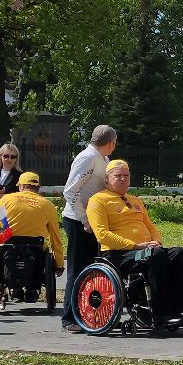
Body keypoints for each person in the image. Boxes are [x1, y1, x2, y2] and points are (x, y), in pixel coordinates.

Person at [86, 159, 183, 336]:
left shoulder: (135, 200)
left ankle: (176, 310)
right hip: (118, 254)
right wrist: (135, 245)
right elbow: (102, 234)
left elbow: (151, 227)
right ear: (107, 179)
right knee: (154, 256)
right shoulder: (98, 200)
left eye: (126, 175)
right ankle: (161, 313)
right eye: (118, 176)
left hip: (145, 249)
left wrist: (157, 241)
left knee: (178, 253)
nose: (123, 179)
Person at [59, 125, 118, 332]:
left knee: (92, 268)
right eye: (115, 143)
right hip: (78, 221)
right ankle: (69, 318)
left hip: (94, 221)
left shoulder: (104, 159)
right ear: (110, 142)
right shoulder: (87, 158)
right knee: (78, 269)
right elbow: (70, 191)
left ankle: (88, 313)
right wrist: (84, 219)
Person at [0, 171, 66, 296]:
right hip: (36, 249)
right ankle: (32, 289)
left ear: (21, 186)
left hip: (9, 247)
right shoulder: (48, 205)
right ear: (38, 187)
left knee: (2, 241)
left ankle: (12, 287)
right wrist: (59, 264)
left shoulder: (6, 199)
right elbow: (56, 238)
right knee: (41, 251)